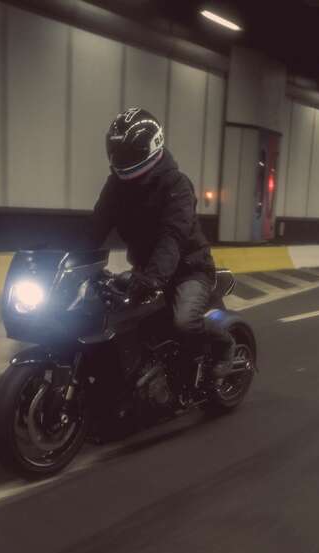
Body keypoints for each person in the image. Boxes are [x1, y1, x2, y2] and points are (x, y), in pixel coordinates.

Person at [84, 107, 234, 383]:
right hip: (147, 269)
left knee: (184, 321)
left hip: (189, 270)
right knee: (108, 314)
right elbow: (96, 226)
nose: (121, 159)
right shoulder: (116, 185)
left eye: (129, 152)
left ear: (152, 147)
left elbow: (172, 237)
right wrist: (68, 256)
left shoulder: (176, 185)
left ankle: (224, 346)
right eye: (117, 152)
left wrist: (153, 277)